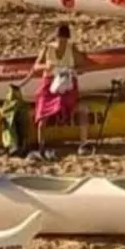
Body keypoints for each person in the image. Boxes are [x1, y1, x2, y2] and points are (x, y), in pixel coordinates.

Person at [31, 23, 88, 155]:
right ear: (56, 38)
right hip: (49, 85)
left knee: (80, 109)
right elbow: (36, 67)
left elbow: (83, 64)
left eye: (64, 40)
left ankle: (83, 145)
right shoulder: (48, 49)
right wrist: (46, 66)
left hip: (66, 84)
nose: (61, 42)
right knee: (42, 114)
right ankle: (41, 146)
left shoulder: (71, 48)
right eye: (59, 39)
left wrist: (74, 71)